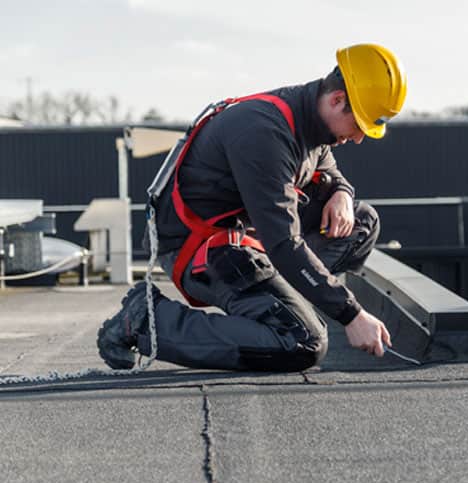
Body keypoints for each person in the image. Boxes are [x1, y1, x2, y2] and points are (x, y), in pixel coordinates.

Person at [96, 43, 407, 371]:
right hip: (199, 246)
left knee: (360, 221)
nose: (359, 138)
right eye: (359, 125)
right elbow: (284, 244)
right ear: (337, 100)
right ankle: (146, 321)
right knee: (303, 341)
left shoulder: (310, 120)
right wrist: (351, 314)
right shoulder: (265, 134)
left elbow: (324, 165)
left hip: (245, 232)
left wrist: (341, 191)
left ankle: (290, 304)